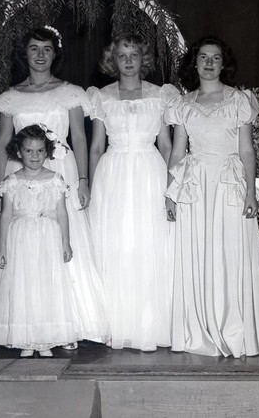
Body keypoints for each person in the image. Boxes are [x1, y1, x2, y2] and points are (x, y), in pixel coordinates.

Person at [0, 26, 109, 347]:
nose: (40, 55)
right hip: (20, 174)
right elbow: (2, 143)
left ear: (55, 54)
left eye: (46, 49)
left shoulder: (70, 92)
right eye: (34, 49)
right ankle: (24, 325)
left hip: (61, 171)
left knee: (63, 244)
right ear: (25, 53)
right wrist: (2, 187)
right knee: (22, 247)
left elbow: (80, 137)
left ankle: (68, 325)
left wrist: (83, 180)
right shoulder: (10, 98)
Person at [165, 35, 259, 357]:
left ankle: (234, 329)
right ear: (194, 63)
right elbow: (176, 152)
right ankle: (200, 329)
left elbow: (246, 149)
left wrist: (250, 193)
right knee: (200, 252)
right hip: (196, 185)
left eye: (215, 58)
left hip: (228, 184)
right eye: (203, 57)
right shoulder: (183, 104)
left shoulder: (240, 100)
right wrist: (170, 195)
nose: (209, 63)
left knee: (230, 253)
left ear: (222, 63)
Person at [87, 33, 179, 351]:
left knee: (148, 245)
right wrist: (92, 185)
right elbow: (97, 146)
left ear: (144, 59)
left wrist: (171, 188)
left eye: (134, 55)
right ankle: (115, 323)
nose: (128, 61)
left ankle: (148, 326)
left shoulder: (160, 95)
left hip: (149, 173)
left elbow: (166, 146)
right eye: (121, 55)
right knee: (116, 245)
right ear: (113, 60)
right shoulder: (101, 96)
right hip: (112, 174)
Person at [0, 125, 79, 357]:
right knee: (24, 285)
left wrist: (66, 242)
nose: (35, 156)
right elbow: (6, 215)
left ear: (47, 152)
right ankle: (26, 340)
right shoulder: (11, 181)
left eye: (40, 151)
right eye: (29, 151)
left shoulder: (55, 179)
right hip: (21, 238)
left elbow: (62, 213)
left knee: (45, 285)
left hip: (48, 237)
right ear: (18, 152)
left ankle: (45, 340)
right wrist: (2, 246)